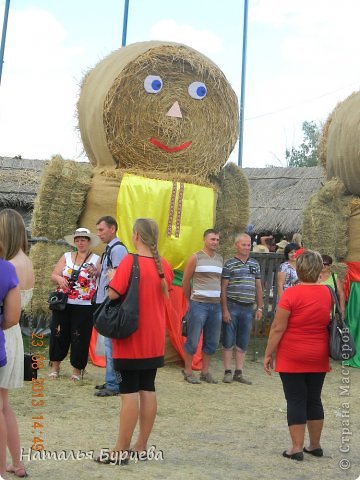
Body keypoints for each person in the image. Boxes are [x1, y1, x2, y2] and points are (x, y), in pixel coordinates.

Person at [95, 218, 173, 464]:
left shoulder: (130, 261)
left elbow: (113, 293)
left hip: (130, 337)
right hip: (153, 339)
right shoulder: (165, 266)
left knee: (128, 393)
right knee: (147, 389)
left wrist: (113, 275)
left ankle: (120, 450)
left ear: (136, 235)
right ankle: (140, 446)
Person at [263, 250, 332, 461]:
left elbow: (277, 328)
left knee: (295, 400)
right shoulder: (328, 293)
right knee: (314, 399)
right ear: (320, 268)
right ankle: (315, 445)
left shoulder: (291, 294)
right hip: (319, 353)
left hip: (292, 354)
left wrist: (268, 354)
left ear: (299, 269)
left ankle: (296, 448)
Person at [0, 209, 35, 478]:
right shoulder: (26, 260)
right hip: (16, 335)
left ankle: (2, 465)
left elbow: (9, 316)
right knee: (5, 406)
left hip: (6, 332)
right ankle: (17, 462)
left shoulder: (9, 264)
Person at [49, 228, 100, 381]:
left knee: (80, 336)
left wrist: (95, 272)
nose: (80, 243)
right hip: (63, 303)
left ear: (88, 242)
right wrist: (59, 279)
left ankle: (77, 370)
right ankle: (55, 367)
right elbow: (54, 274)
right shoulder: (66, 256)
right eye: (77, 240)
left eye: (83, 240)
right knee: (58, 333)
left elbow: (100, 276)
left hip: (84, 304)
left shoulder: (96, 259)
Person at [182, 229, 223, 384]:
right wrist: (190, 299)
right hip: (199, 303)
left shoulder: (220, 259)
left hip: (215, 305)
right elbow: (186, 280)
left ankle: (205, 372)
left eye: (217, 240)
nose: (215, 242)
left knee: (212, 340)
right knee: (193, 338)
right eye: (212, 239)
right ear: (204, 240)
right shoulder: (196, 257)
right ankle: (188, 370)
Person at [221, 233, 263, 384]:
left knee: (243, 340)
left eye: (248, 245)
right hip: (232, 305)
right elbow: (224, 288)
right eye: (243, 244)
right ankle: (227, 371)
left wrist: (260, 307)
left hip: (247, 307)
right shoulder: (229, 264)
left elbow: (258, 286)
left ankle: (238, 372)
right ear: (236, 245)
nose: (247, 247)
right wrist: (225, 310)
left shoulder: (255, 264)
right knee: (228, 339)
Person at [94, 216, 127, 397]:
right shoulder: (110, 249)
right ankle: (111, 380)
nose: (99, 234)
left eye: (101, 230)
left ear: (112, 229)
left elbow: (118, 278)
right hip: (106, 301)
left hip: (112, 303)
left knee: (111, 346)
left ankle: (114, 385)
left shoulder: (118, 250)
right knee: (108, 345)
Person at [0, 243, 22, 479]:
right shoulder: (7, 269)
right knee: (3, 405)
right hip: (5, 341)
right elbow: (12, 317)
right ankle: (11, 465)